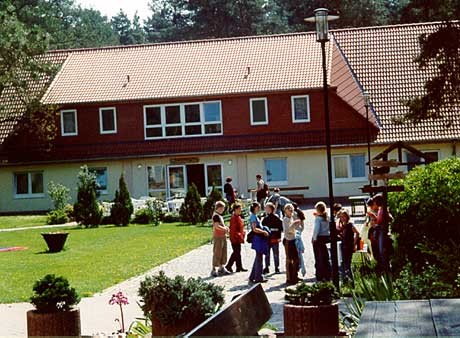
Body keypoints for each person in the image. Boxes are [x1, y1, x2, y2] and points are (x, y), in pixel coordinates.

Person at [248, 202, 270, 283]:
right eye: (258, 207)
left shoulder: (255, 216)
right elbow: (254, 229)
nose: (259, 208)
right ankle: (258, 277)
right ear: (254, 208)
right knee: (259, 258)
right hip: (257, 239)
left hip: (258, 238)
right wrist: (263, 232)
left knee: (258, 257)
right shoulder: (253, 217)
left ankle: (253, 276)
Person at [283, 203, 303, 285]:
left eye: (291, 209)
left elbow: (298, 229)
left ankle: (295, 275)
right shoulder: (285, 219)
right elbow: (289, 230)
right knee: (289, 259)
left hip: (294, 240)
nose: (290, 210)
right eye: (288, 209)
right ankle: (289, 278)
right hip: (288, 241)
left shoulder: (292, 218)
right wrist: (294, 224)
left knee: (296, 259)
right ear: (285, 210)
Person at [337, 209, 359, 281]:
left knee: (348, 263)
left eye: (344, 216)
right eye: (341, 217)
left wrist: (354, 243)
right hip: (344, 246)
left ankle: (351, 280)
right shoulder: (343, 226)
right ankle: (345, 279)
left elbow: (357, 233)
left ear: (347, 217)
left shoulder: (350, 225)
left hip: (349, 246)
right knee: (343, 262)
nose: (342, 218)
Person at [312, 201, 331, 281]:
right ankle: (327, 274)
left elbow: (316, 229)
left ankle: (319, 275)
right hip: (326, 237)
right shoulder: (327, 217)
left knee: (319, 257)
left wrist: (314, 238)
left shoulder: (318, 219)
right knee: (325, 256)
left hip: (319, 238)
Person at [225, 204, 247, 273]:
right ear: (235, 210)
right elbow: (233, 229)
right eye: (239, 209)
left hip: (238, 237)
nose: (240, 210)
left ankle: (238, 267)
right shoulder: (234, 218)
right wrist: (239, 235)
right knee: (236, 252)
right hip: (235, 238)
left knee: (237, 252)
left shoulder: (237, 217)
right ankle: (229, 266)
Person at [373, 194, 393, 273]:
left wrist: (376, 222)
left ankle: (386, 269)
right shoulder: (381, 209)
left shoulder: (383, 209)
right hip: (381, 230)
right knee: (381, 250)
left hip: (382, 231)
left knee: (382, 251)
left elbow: (384, 219)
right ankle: (385, 268)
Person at [211, 201, 231, 277]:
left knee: (223, 252)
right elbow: (216, 226)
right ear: (219, 208)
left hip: (223, 236)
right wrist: (225, 229)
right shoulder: (216, 216)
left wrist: (225, 228)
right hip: (218, 236)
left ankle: (221, 267)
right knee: (217, 252)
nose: (223, 210)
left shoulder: (219, 216)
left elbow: (221, 225)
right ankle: (214, 269)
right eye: (222, 208)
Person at [262, 202, 283, 274]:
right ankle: (267, 267)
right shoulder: (265, 219)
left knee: (275, 254)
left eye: (267, 208)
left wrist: (279, 236)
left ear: (271, 209)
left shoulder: (276, 218)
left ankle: (277, 267)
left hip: (274, 238)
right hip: (267, 239)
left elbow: (280, 228)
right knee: (267, 254)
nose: (265, 209)